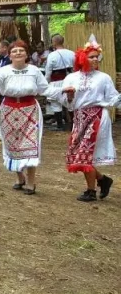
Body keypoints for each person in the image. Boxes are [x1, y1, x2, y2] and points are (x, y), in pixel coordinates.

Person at [0, 41, 51, 195]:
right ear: (10, 54)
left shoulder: (34, 71)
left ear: (27, 54)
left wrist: (64, 92)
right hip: (9, 111)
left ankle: (31, 182)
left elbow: (45, 89)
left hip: (30, 111)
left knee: (31, 145)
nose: (18, 53)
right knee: (12, 145)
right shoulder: (3, 71)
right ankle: (20, 177)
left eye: (22, 50)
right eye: (15, 51)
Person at [58, 38, 120, 202]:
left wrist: (111, 103)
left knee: (85, 154)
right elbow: (66, 103)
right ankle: (102, 180)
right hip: (79, 118)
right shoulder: (71, 77)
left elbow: (113, 97)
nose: (94, 59)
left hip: (97, 117)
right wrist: (69, 96)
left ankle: (91, 191)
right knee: (80, 154)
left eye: (96, 56)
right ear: (82, 58)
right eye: (91, 56)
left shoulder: (104, 77)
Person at [45, 35, 75, 131]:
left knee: (55, 103)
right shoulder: (72, 53)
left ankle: (60, 125)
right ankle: (73, 125)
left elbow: (48, 71)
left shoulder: (52, 55)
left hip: (56, 81)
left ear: (54, 43)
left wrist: (46, 82)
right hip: (70, 81)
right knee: (70, 102)